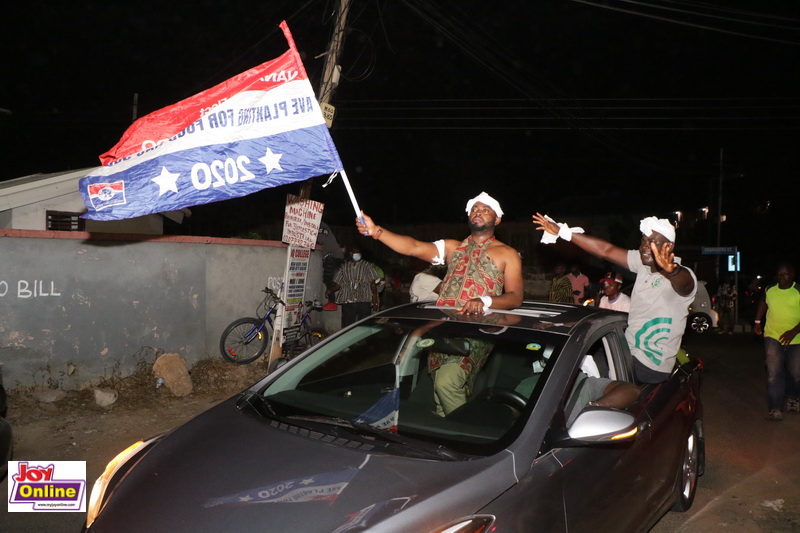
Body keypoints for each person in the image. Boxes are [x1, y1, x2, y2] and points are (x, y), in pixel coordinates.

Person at [356, 192, 524, 415]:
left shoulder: (508, 253)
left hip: (478, 330)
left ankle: (470, 434)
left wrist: (485, 300)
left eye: (485, 210)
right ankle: (448, 437)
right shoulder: (453, 248)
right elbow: (414, 246)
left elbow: (515, 297)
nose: (478, 212)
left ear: (497, 219)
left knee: (447, 382)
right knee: (440, 390)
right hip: (442, 328)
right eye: (475, 209)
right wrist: (377, 231)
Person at [533, 213, 697, 384]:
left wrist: (673, 271)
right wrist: (563, 232)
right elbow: (606, 251)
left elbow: (685, 285)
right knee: (570, 356)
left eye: (653, 242)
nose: (645, 247)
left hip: (650, 363)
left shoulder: (682, 275)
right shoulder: (644, 265)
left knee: (578, 368)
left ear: (669, 246)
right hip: (628, 350)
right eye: (643, 241)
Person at [753, 263, 800, 422]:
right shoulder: (770, 289)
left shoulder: (798, 291)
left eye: (786, 273)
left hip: (796, 339)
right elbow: (764, 302)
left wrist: (793, 332)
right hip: (772, 336)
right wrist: (758, 321)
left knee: (795, 373)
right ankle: (775, 409)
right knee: (774, 373)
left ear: (792, 275)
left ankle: (793, 398)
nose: (782, 276)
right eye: (780, 273)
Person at [326, 246, 381, 328]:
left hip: (364, 299)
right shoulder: (344, 267)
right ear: (351, 254)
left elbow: (372, 284)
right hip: (348, 299)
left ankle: (363, 339)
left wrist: (375, 299)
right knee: (348, 323)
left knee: (364, 323)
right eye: (355, 253)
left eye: (359, 253)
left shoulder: (367, 266)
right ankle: (349, 339)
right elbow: (338, 285)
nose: (357, 255)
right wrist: (330, 290)